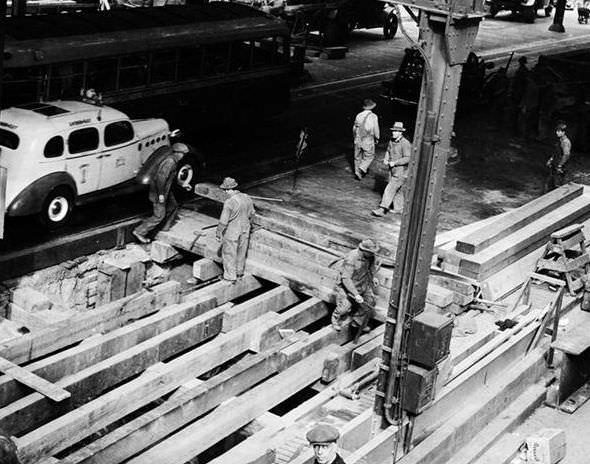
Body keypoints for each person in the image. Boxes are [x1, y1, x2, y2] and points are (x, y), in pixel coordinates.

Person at [133, 143, 189, 244]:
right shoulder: (169, 162)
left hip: (166, 191)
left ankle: (164, 228)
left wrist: (183, 184)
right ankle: (139, 231)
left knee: (173, 206)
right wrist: (161, 195)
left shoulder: (174, 161)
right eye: (182, 154)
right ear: (176, 153)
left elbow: (171, 178)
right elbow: (160, 179)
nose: (183, 156)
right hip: (159, 192)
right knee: (159, 216)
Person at [332, 239, 380, 332]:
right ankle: (335, 321)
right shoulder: (351, 258)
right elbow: (346, 279)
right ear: (364, 251)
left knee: (369, 302)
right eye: (371, 253)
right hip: (348, 287)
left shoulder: (370, 256)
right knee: (344, 308)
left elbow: (371, 267)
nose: (373, 255)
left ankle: (357, 322)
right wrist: (356, 294)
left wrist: (373, 277)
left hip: (362, 284)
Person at [216, 177, 255, 282]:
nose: (225, 192)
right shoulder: (247, 198)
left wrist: (218, 232)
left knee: (229, 253)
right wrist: (249, 225)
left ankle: (230, 277)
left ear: (228, 189)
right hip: (245, 228)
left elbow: (223, 221)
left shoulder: (229, 202)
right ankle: (239, 273)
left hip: (232, 230)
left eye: (225, 190)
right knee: (241, 251)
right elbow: (252, 214)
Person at [371, 122, 412, 217]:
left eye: (396, 131)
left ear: (400, 133)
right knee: (397, 189)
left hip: (401, 171)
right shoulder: (391, 141)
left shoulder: (405, 143)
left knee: (389, 189)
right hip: (392, 170)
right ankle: (399, 208)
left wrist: (395, 162)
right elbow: (388, 151)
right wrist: (386, 158)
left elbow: (407, 158)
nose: (394, 133)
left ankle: (382, 209)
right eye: (393, 131)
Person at [352, 99, 380, 180]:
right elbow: (375, 129)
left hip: (358, 139)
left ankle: (357, 172)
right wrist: (377, 138)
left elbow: (354, 128)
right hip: (368, 139)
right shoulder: (373, 116)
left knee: (357, 157)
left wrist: (355, 137)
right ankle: (362, 168)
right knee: (369, 156)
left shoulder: (358, 115)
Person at [544, 121, 572, 192]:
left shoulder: (565, 142)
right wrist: (551, 160)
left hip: (560, 168)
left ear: (564, 132)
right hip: (554, 166)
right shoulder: (559, 140)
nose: (557, 132)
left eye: (559, 131)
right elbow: (556, 152)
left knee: (557, 188)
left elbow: (566, 155)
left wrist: (560, 166)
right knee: (549, 185)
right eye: (557, 131)